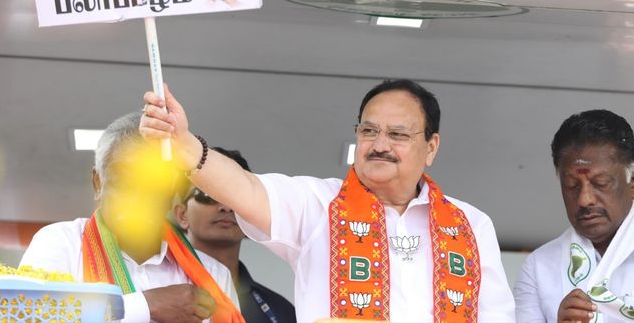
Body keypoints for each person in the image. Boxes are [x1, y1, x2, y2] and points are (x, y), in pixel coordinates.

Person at [140, 79, 516, 322]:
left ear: (430, 147)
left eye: (398, 134)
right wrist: (185, 146)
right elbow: (244, 189)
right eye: (369, 131)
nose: (380, 145)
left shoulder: (470, 224)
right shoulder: (318, 204)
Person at [20, 111, 244, 323]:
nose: (139, 198)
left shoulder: (213, 275)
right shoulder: (61, 243)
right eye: (125, 182)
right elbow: (29, 315)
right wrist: (146, 305)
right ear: (98, 183)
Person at [513, 110, 634, 322]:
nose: (584, 199)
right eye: (572, 185)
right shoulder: (538, 267)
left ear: (633, 182)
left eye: (600, 183)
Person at [173, 147, 297, 323]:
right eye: (207, 194)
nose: (226, 207)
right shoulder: (154, 289)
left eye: (236, 198)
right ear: (182, 214)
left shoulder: (280, 310)